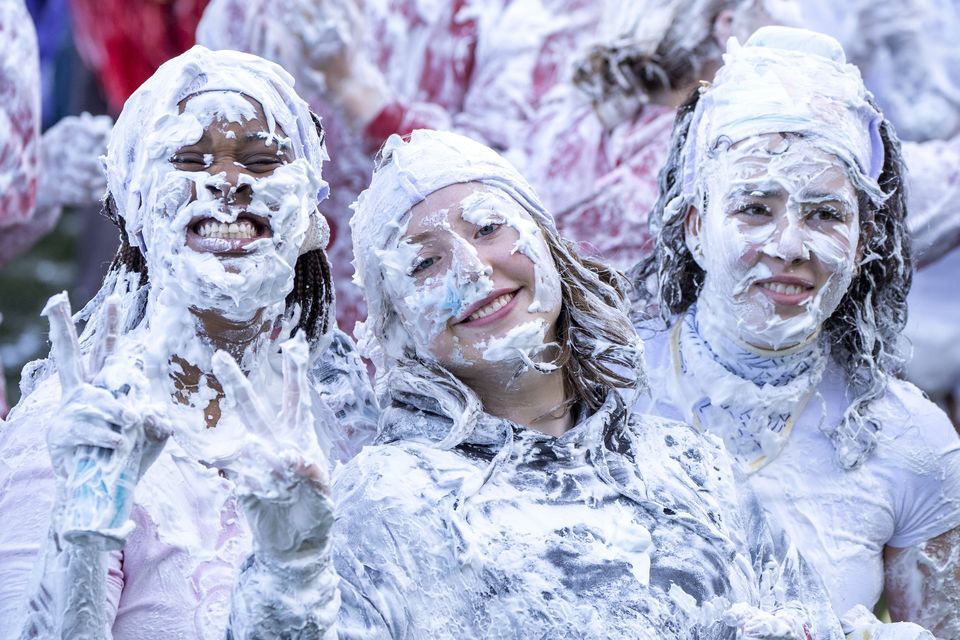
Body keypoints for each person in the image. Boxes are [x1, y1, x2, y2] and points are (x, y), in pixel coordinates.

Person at [219, 128, 843, 638]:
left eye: (488, 227)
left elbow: (809, 619)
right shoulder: (384, 502)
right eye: (425, 261)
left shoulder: (692, 466)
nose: (473, 268)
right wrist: (288, 575)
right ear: (399, 326)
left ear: (550, 247)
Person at [0, 45, 376, 638]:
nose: (228, 183)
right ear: (137, 206)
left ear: (309, 212)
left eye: (259, 161)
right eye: (190, 161)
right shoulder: (81, 436)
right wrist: (85, 533)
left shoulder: (346, 412)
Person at [633, 26, 960, 637]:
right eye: (755, 207)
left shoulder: (912, 443)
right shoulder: (600, 395)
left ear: (864, 240)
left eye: (825, 214)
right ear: (697, 227)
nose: (789, 245)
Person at [196, 0, 602, 335]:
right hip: (303, 337)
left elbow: (524, 185)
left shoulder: (514, 15)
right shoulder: (244, 14)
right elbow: (213, 173)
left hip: (471, 321)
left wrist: (362, 96)